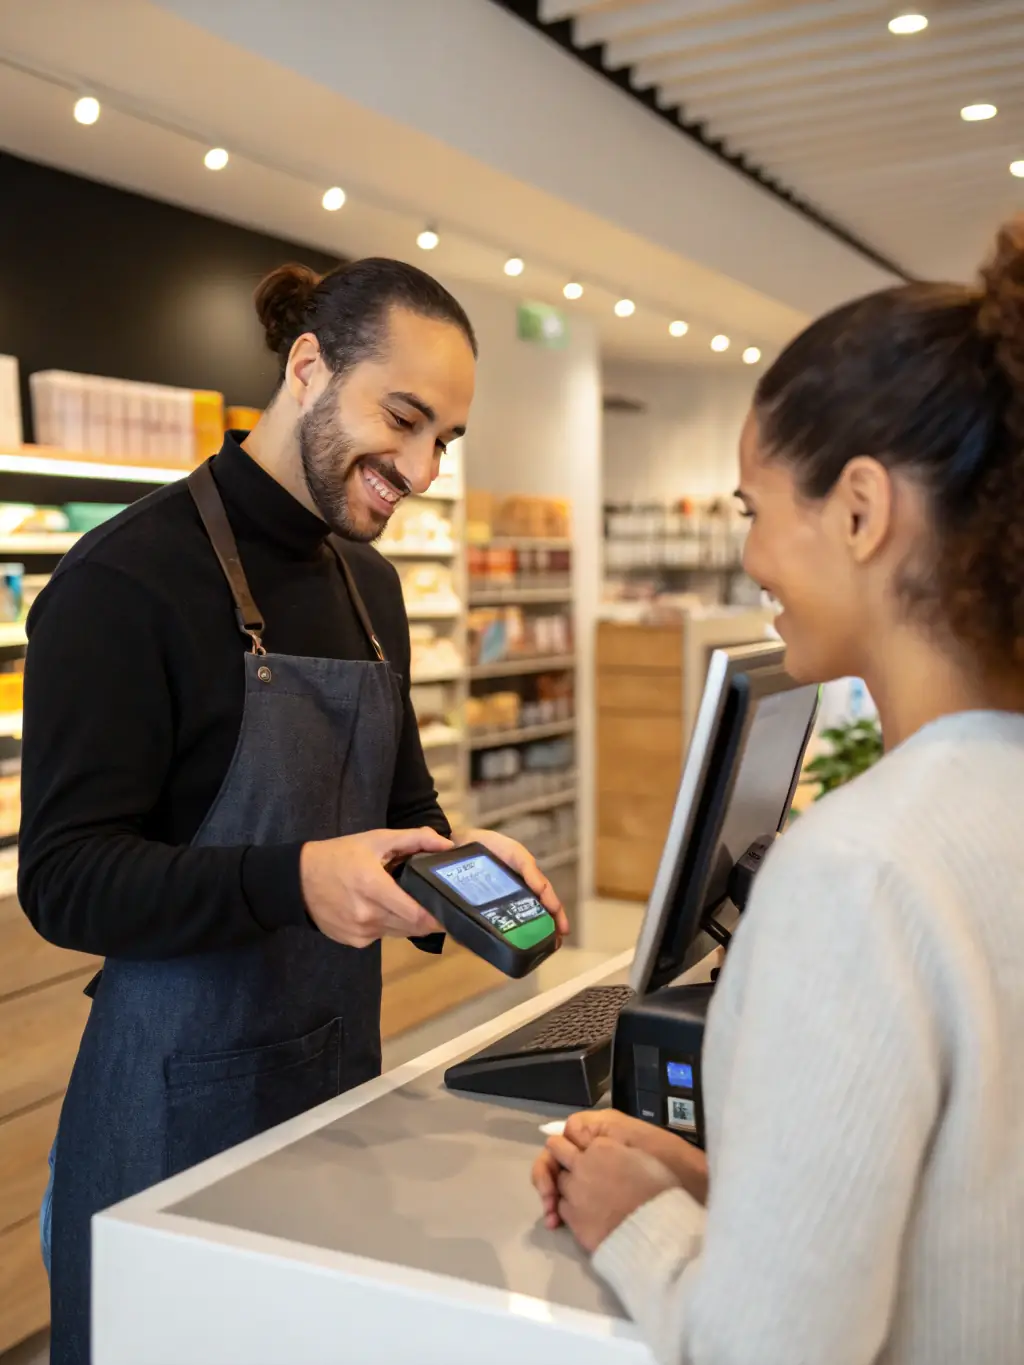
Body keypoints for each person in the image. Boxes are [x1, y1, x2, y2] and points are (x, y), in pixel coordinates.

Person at [19, 256, 566, 1365]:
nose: (418, 469)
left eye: (443, 442)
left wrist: (459, 862)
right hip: (166, 1109)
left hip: (331, 1080)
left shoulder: (373, 591)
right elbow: (66, 878)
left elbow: (402, 810)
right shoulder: (126, 581)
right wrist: (297, 878)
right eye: (402, 420)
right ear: (308, 368)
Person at [533, 217, 1024, 1365]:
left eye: (754, 510)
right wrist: (722, 1182)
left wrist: (633, 1221)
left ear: (859, 511)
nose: (748, 556)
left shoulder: (858, 872)